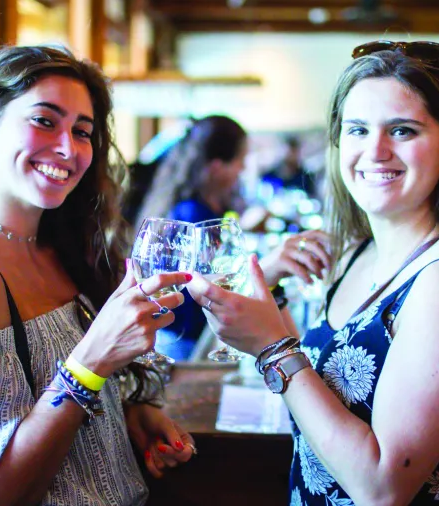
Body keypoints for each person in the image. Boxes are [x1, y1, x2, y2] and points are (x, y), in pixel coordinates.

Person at [186, 41, 439, 505]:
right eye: (356, 130)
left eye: (402, 131)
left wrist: (273, 348)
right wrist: (266, 288)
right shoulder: (361, 255)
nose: (374, 151)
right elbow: (321, 393)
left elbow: (383, 487)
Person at [0, 46, 195, 506]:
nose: (67, 148)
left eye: (82, 131)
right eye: (45, 121)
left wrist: (127, 413)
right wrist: (93, 361)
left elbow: (54, 403)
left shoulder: (56, 246)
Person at [136, 115, 330, 360]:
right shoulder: (192, 215)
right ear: (217, 167)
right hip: (184, 343)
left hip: (196, 336)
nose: (242, 169)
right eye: (240, 161)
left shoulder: (202, 206)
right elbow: (205, 287)